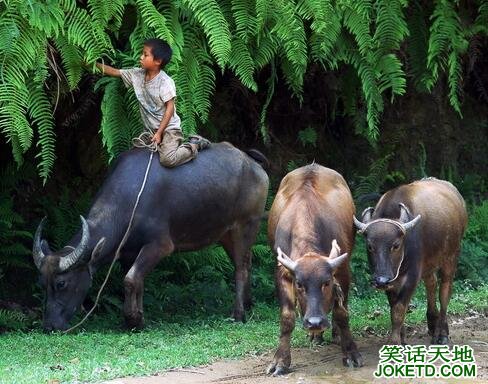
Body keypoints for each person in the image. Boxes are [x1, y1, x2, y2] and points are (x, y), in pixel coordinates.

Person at [95, 38, 210, 167]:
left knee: (167, 159)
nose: (141, 57)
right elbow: (115, 72)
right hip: (149, 129)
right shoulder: (136, 75)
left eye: (145, 55)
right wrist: (92, 64)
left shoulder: (165, 82)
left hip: (168, 129)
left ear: (158, 61)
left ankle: (194, 145)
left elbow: (170, 109)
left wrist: (159, 133)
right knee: (135, 155)